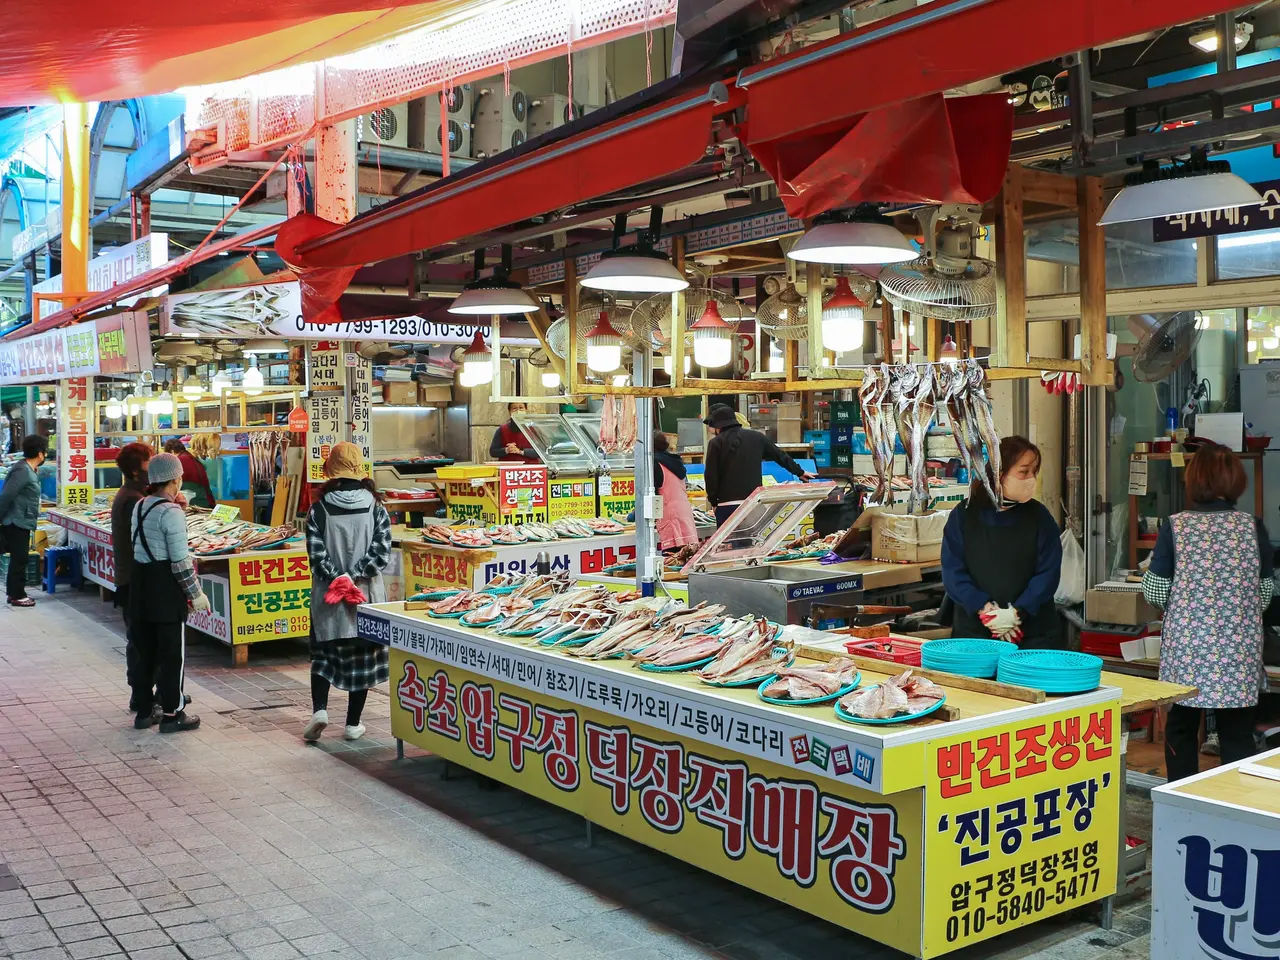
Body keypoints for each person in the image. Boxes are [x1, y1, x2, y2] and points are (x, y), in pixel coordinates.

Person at [1142, 440, 1273, 780]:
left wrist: (1186, 605)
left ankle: (1183, 799)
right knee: (1237, 734)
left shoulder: (1177, 526)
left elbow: (1155, 590)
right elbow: (1264, 593)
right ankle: (1229, 807)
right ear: (1235, 482)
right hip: (1239, 650)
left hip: (1188, 650)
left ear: (1194, 480)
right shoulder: (1251, 527)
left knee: (1182, 729)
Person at [303, 442, 393, 743]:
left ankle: (320, 710)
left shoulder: (319, 509)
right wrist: (353, 576)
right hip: (365, 599)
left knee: (324, 658)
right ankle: (353, 724)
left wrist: (338, 578)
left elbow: (316, 558)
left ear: (332, 473)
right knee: (362, 664)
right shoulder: (376, 507)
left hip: (329, 601)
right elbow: (381, 554)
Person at [941, 436, 1063, 649]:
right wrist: (986, 610)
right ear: (999, 473)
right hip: (975, 634)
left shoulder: (1040, 517)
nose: (1031, 478)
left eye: (1034, 472)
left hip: (1032, 634)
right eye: (1024, 472)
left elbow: (1048, 573)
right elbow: (953, 572)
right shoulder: (964, 515)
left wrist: (1016, 614)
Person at [128, 453, 206, 733]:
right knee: (172, 654)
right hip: (164, 590)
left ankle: (145, 712)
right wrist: (195, 593)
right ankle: (174, 714)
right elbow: (180, 561)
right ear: (176, 478)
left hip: (140, 587)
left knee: (145, 651)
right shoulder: (170, 512)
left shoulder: (140, 505)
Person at [703, 404, 815, 526]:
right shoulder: (757, 437)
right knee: (752, 542)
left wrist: (714, 502)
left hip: (727, 505)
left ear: (717, 426)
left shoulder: (715, 443)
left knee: (729, 544)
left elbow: (711, 475)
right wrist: (800, 472)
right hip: (753, 502)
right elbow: (780, 456)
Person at [112, 442, 154, 715]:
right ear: (138, 468)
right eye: (150, 462)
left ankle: (143, 695)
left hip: (133, 579)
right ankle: (142, 698)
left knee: (141, 640)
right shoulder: (132, 500)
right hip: (136, 580)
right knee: (141, 641)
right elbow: (143, 540)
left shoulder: (134, 494)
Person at [0, 434, 48, 607]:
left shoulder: (28, 470)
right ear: (40, 454)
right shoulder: (22, 471)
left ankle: (14, 593)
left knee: (19, 558)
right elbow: (6, 496)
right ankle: (18, 595)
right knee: (19, 559)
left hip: (20, 519)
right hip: (15, 521)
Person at [653, 431, 697, 550]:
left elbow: (651, 494)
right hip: (685, 513)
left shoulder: (654, 463)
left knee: (672, 561)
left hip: (669, 516)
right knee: (687, 558)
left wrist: (634, 516)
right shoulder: (675, 461)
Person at [163, 438, 216, 508]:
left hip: (199, 503)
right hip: (206, 500)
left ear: (172, 452)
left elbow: (168, 483)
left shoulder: (179, 460)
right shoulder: (190, 457)